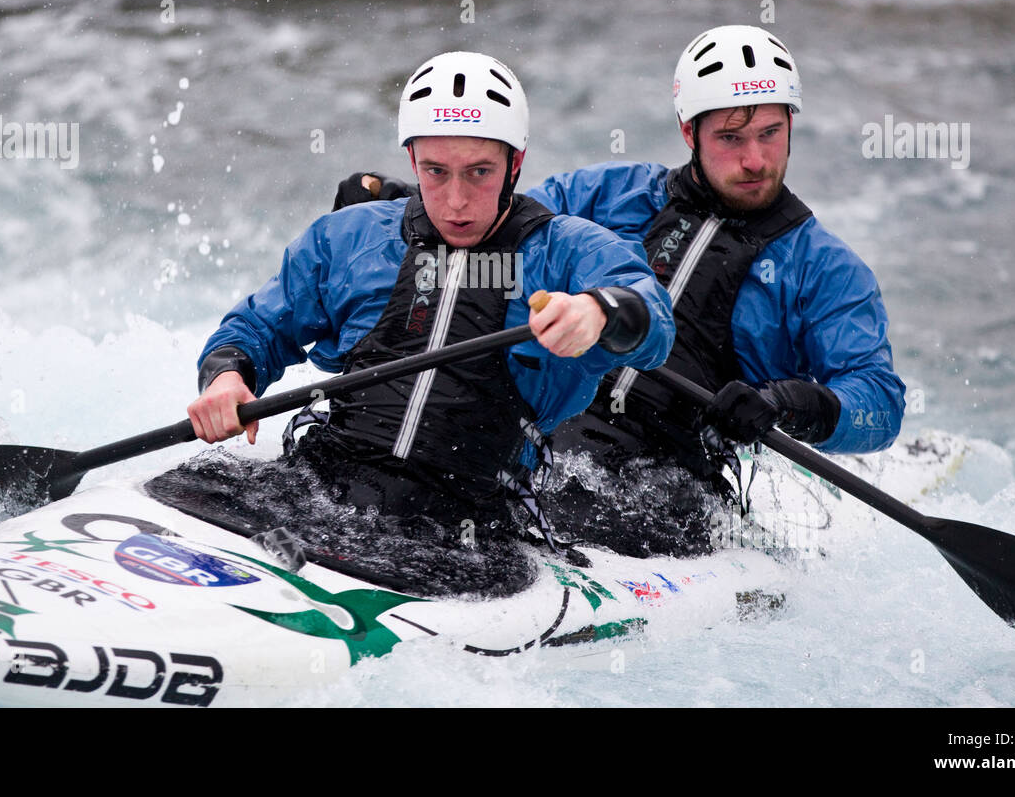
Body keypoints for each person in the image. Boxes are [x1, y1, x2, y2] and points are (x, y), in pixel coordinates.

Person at [333, 27, 906, 552]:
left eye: (770, 134)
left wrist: (796, 404)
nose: (754, 159)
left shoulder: (826, 269)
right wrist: (408, 205)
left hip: (668, 485)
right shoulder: (607, 196)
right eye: (731, 137)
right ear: (690, 132)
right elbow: (498, 226)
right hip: (545, 448)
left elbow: (879, 403)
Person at [185, 51, 675, 570]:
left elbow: (652, 318)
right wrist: (225, 377)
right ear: (413, 159)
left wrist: (599, 310)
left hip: (469, 523)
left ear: (516, 163)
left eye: (479, 173)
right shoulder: (352, 234)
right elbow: (256, 327)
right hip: (320, 486)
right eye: (436, 172)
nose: (456, 201)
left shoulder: (568, 249)